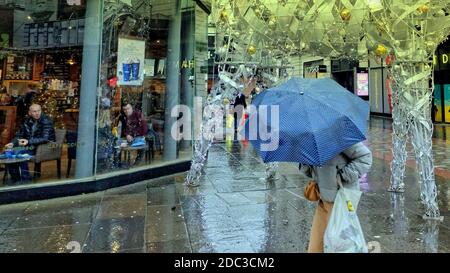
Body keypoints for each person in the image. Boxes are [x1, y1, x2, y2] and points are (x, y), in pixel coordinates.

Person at [299, 142, 372, 253]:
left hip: (341, 200)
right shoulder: (312, 141)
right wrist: (304, 161)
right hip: (324, 199)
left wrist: (343, 175)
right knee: (315, 247)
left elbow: (365, 157)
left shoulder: (338, 134)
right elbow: (312, 173)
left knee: (340, 247)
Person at [4, 104, 55, 183]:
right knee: (9, 152)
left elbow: (45, 138)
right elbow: (19, 135)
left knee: (19, 152)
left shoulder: (46, 121)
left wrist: (29, 141)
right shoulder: (26, 121)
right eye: (34, 111)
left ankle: (25, 178)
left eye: (39, 111)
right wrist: (12, 143)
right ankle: (15, 178)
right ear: (29, 113)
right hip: (30, 145)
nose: (37, 113)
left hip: (43, 147)